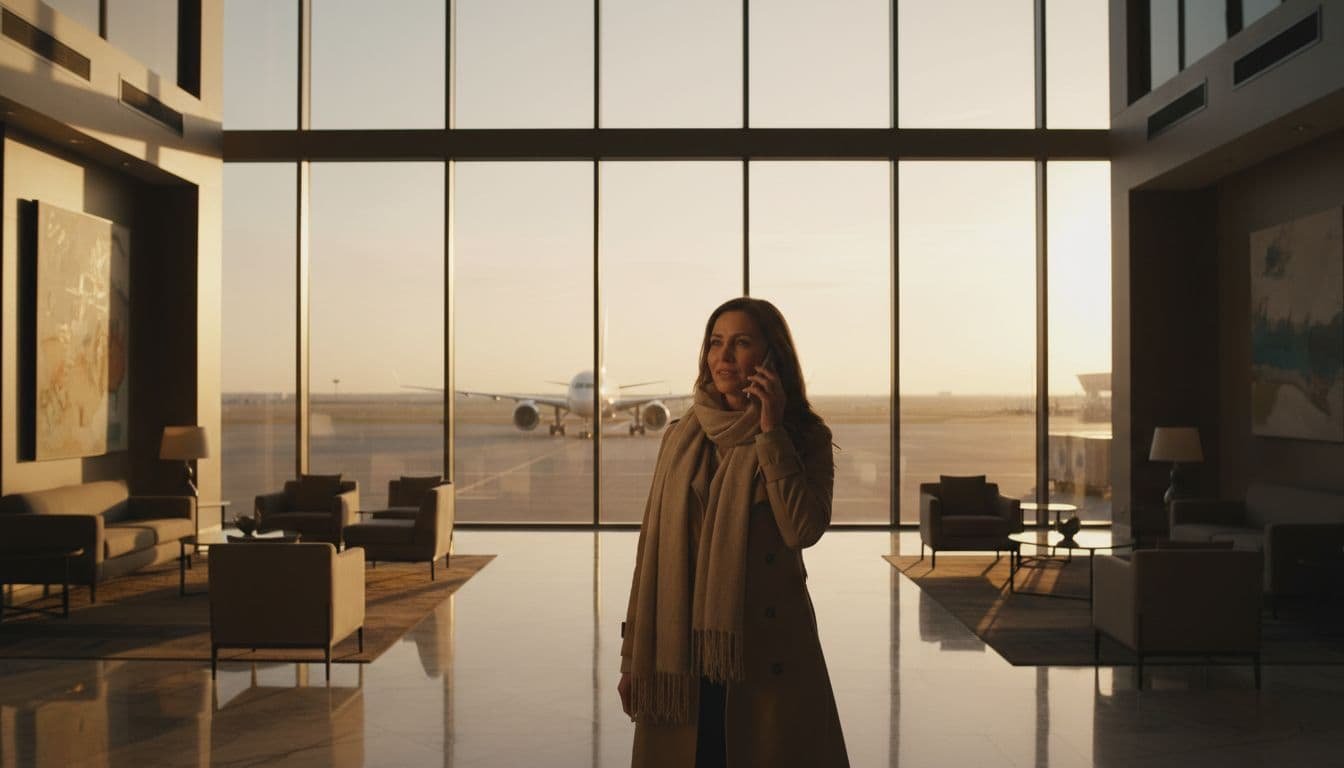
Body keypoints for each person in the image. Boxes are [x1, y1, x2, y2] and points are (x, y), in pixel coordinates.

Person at [617, 297, 849, 768]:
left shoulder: (804, 437)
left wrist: (770, 432)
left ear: (771, 356)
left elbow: (802, 529)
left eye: (740, 343)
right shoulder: (681, 437)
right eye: (715, 343)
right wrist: (630, 657)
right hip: (678, 651)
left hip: (764, 654)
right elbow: (650, 556)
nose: (723, 357)